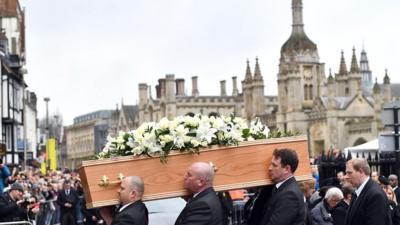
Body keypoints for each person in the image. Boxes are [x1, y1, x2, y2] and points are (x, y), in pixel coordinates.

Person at [258, 148, 306, 225]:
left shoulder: (290, 195)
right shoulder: (282, 188)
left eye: (274, 165)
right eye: (271, 164)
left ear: (286, 169)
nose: (269, 168)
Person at [344, 158, 392, 225]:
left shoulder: (375, 195)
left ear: (361, 172)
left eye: (349, 173)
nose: (346, 177)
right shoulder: (357, 191)